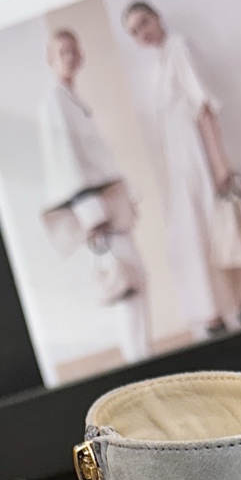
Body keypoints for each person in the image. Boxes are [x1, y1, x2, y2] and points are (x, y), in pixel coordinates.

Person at [122, 0, 241, 339]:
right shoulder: (157, 66)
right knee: (196, 235)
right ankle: (217, 310)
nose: (142, 33)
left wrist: (219, 163)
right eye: (134, 31)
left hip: (200, 155)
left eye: (144, 22)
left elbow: (204, 107)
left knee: (220, 227)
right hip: (181, 161)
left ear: (158, 17)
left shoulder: (179, 47)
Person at [36, 26, 151, 370]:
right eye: (62, 53)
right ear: (51, 60)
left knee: (134, 278)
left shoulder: (71, 99)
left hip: (107, 204)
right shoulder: (54, 102)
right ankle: (138, 363)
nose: (69, 57)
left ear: (82, 55)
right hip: (96, 211)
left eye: (73, 50)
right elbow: (65, 162)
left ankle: (141, 357)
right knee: (124, 283)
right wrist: (92, 218)